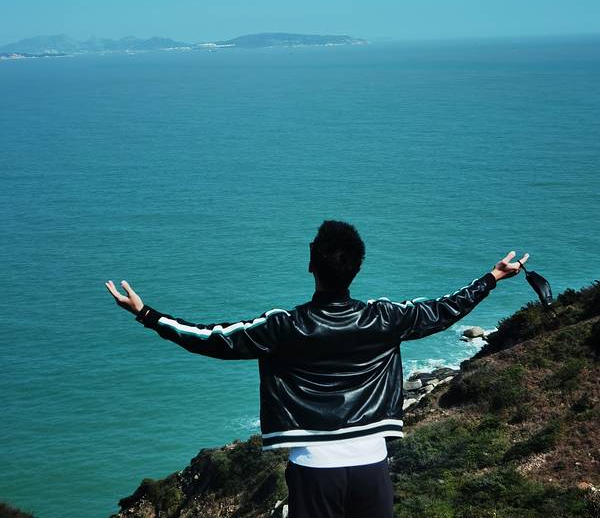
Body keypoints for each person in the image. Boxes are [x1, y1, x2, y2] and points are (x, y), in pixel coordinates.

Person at [105, 219, 529, 518]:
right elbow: (444, 309)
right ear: (357, 266)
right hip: (372, 463)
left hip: (313, 465)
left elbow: (210, 339)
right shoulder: (385, 318)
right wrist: (491, 277)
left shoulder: (282, 327)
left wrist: (147, 314)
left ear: (311, 263)